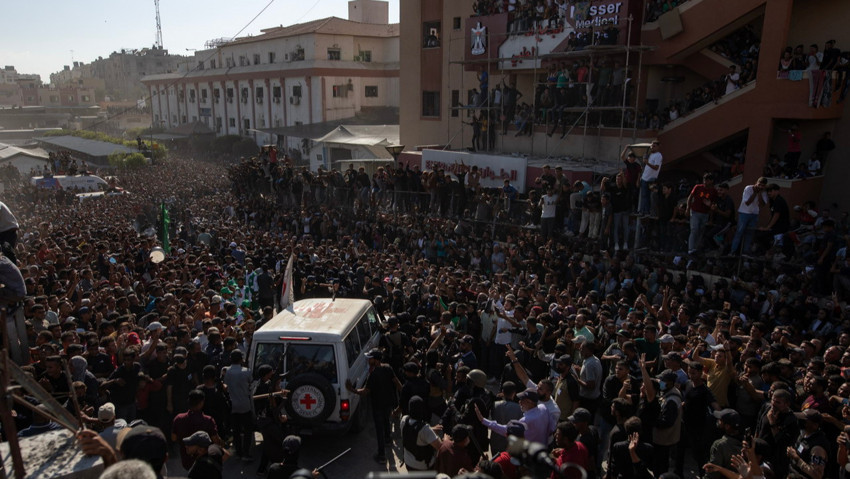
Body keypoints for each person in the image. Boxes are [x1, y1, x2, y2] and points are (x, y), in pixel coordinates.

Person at [346, 347, 402, 464]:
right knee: (387, 420)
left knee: (379, 429)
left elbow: (365, 392)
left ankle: (381, 456)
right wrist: (403, 396)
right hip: (389, 402)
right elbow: (397, 382)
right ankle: (388, 440)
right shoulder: (388, 368)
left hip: (378, 405)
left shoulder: (373, 375)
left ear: (376, 360)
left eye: (370, 358)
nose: (368, 360)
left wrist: (352, 390)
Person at [222, 349, 254, 461]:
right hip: (245, 404)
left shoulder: (226, 371)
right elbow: (251, 383)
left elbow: (225, 384)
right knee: (247, 430)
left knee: (235, 430)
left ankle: (238, 452)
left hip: (232, 405)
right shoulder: (247, 371)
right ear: (241, 359)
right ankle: (246, 453)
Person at [401, 396, 442, 471]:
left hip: (408, 463)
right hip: (423, 467)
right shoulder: (425, 429)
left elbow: (414, 430)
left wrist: (431, 430)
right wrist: (440, 436)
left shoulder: (404, 420)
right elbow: (440, 447)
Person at [731, 177, 768, 255]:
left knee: (750, 234)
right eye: (759, 185)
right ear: (756, 183)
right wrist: (755, 193)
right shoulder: (748, 188)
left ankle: (745, 251)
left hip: (754, 214)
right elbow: (747, 203)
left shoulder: (764, 192)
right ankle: (733, 251)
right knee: (739, 232)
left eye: (763, 186)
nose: (760, 187)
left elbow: (762, 204)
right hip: (744, 213)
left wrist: (760, 193)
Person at [686, 172, 717, 255]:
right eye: (704, 180)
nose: (705, 182)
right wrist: (688, 209)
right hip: (695, 212)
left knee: (701, 232)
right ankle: (691, 248)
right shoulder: (698, 187)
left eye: (707, 180)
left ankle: (696, 249)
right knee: (694, 229)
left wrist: (711, 218)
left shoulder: (713, 191)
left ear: (711, 181)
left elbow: (713, 206)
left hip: (705, 214)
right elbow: (690, 197)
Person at [638, 140, 662, 216]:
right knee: (643, 195)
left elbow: (656, 167)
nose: (652, 147)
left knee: (649, 196)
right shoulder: (650, 154)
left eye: (654, 146)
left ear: (658, 147)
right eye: (651, 146)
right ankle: (642, 211)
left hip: (651, 179)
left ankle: (647, 211)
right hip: (644, 178)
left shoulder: (658, 155)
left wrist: (647, 163)